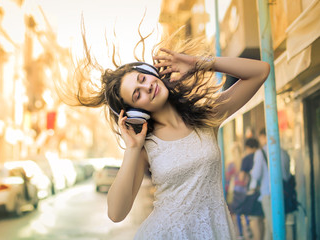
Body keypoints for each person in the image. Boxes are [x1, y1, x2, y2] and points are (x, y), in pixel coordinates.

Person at [67, 25, 270, 239]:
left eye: (142, 79)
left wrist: (197, 63)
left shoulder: (205, 116)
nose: (146, 87)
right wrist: (133, 148)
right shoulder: (145, 146)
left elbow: (260, 72)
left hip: (215, 230)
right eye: (137, 95)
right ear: (135, 111)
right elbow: (116, 213)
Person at [249, 128, 291, 240]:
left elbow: (256, 174)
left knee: (275, 228)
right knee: (270, 227)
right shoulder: (284, 152)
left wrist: (252, 176)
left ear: (264, 136)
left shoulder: (260, 153)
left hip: (268, 194)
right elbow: (287, 175)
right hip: (284, 194)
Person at [239, 137, 264, 240]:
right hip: (265, 191)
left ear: (248, 147)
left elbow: (241, 177)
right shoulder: (264, 154)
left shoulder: (247, 158)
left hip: (253, 192)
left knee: (254, 219)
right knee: (262, 220)